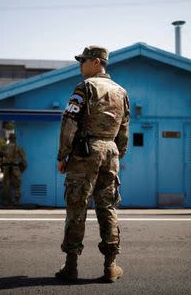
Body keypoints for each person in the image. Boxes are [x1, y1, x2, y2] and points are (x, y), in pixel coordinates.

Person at [55, 45, 130, 283]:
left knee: (76, 207)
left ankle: (71, 266)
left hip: (86, 152)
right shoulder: (121, 92)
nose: (80, 65)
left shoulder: (85, 87)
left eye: (84, 61)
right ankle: (111, 267)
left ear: (96, 62)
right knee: (107, 207)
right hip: (111, 151)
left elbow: (69, 121)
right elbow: (124, 130)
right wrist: (117, 154)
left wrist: (63, 155)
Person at [0, 132, 27, 206]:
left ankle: (6, 201)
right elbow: (24, 160)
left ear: (9, 139)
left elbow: (0, 159)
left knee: (6, 184)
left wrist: (1, 167)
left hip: (6, 168)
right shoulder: (18, 148)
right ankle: (16, 201)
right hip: (15, 168)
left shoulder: (3, 147)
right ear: (15, 139)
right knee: (17, 185)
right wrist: (22, 169)